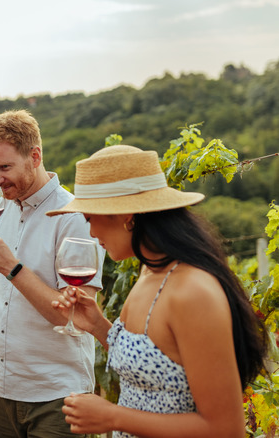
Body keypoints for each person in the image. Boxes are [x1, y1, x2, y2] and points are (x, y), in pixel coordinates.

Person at [47, 145, 268, 437]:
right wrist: (98, 326)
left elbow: (225, 429)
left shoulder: (193, 292)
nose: (91, 233)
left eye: (89, 218)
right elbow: (159, 366)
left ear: (127, 215)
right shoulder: (150, 270)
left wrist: (113, 416)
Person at [0, 110, 105, 438]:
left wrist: (12, 268)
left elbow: (74, 316)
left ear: (35, 156)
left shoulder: (74, 218)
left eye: (4, 167)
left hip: (55, 396)